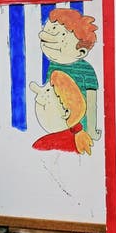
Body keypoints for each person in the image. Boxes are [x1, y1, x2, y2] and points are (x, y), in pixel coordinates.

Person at [35, 8, 100, 140]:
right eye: (48, 30)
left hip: (79, 132)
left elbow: (91, 103)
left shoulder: (87, 70)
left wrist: (91, 131)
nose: (46, 36)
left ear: (80, 52)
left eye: (62, 35)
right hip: (57, 127)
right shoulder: (54, 65)